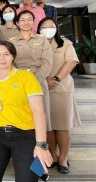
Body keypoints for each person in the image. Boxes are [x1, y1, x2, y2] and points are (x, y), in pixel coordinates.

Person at [0, 41, 53, 182]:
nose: (2, 58)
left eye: (6, 54)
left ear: (13, 56)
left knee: (28, 179)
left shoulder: (26, 77)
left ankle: (39, 171)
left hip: (25, 135)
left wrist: (41, 144)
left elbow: (38, 111)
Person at [38, 18, 81, 174]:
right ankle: (53, 156)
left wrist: (55, 79)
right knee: (48, 126)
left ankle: (63, 157)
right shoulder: (37, 43)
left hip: (61, 87)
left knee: (62, 126)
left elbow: (71, 62)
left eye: (51, 26)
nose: (48, 29)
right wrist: (45, 80)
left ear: (56, 28)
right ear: (39, 29)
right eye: (44, 27)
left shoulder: (65, 43)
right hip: (42, 88)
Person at [9, 10, 53, 132]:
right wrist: (20, 80)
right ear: (17, 23)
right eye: (22, 20)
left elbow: (47, 62)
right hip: (18, 82)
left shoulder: (42, 39)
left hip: (39, 81)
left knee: (41, 115)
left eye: (29, 19)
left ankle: (42, 146)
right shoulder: (11, 42)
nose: (26, 22)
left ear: (33, 22)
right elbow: (9, 63)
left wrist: (33, 80)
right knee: (20, 115)